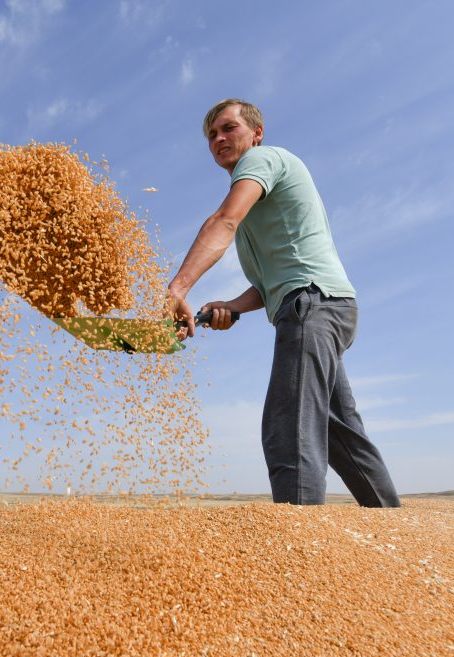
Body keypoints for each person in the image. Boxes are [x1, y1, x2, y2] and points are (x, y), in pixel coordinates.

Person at [168, 98, 401, 507]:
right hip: (323, 305)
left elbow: (223, 221)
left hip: (311, 305)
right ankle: (395, 529)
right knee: (339, 432)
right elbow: (266, 286)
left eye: (228, 128)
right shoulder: (258, 203)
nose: (219, 139)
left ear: (256, 133)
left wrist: (177, 289)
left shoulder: (261, 162)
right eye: (211, 135)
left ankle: (298, 550)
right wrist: (231, 307)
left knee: (288, 427)